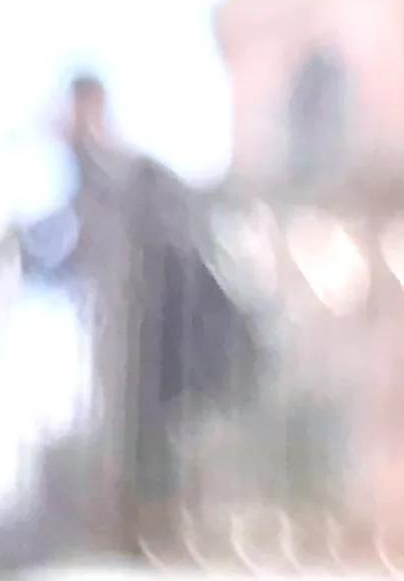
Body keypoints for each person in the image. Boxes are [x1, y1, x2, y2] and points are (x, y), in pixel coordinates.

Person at [26, 74, 258, 548]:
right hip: (126, 339)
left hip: (156, 336)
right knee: (136, 444)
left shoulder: (125, 171)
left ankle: (154, 536)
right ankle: (139, 535)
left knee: (151, 441)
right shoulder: (95, 174)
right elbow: (67, 252)